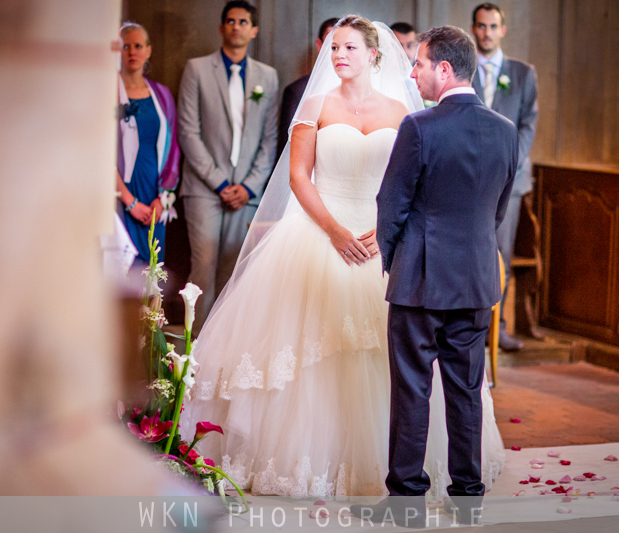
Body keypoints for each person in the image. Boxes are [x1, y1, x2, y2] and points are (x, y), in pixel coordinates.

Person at [181, 15, 505, 500]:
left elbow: (414, 183)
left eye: (349, 48)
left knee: (401, 366)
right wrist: (333, 229)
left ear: (374, 54)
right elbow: (299, 177)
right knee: (314, 355)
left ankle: (411, 476)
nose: (338, 57)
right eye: (333, 49)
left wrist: (386, 233)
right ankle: (342, 466)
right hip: (319, 232)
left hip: (386, 241)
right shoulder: (315, 104)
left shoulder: (405, 112)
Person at [352, 25, 517, 527]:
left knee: (412, 390)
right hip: (474, 281)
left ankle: (406, 505)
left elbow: (391, 205)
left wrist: (393, 261)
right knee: (467, 390)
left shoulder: (420, 127)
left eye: (419, 63)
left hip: (420, 282)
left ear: (444, 69)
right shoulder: (506, 131)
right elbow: (497, 211)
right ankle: (467, 501)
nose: (414, 72)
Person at [178, 0, 279, 333]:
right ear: (222, 28)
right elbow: (188, 132)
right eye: (230, 21)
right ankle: (191, 349)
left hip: (246, 191)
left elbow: (270, 139)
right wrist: (221, 183)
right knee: (204, 264)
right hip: (205, 189)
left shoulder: (268, 76)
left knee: (233, 269)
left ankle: (219, 347)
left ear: (254, 30)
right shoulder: (196, 69)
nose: (236, 27)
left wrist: (248, 186)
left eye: (243, 21)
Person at [471, 2, 538, 351]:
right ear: (474, 29)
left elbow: (528, 125)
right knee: (471, 252)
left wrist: (509, 161)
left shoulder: (523, 73)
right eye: (481, 26)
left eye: (493, 26)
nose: (487, 33)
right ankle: (471, 326)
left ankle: (498, 326)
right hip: (468, 178)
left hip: (510, 181)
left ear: (503, 29)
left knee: (502, 255)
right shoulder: (464, 70)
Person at [116, 22, 180, 264]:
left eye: (138, 46)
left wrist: (162, 197)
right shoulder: (107, 91)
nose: (132, 52)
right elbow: (102, 153)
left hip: (153, 194)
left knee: (152, 271)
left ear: (148, 51)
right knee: (122, 268)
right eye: (125, 46)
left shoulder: (162, 94)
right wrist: (129, 202)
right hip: (120, 193)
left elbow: (173, 146)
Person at [277, 17, 339, 158]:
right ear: (319, 45)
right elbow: (286, 149)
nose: (338, 53)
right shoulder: (297, 91)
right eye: (332, 45)